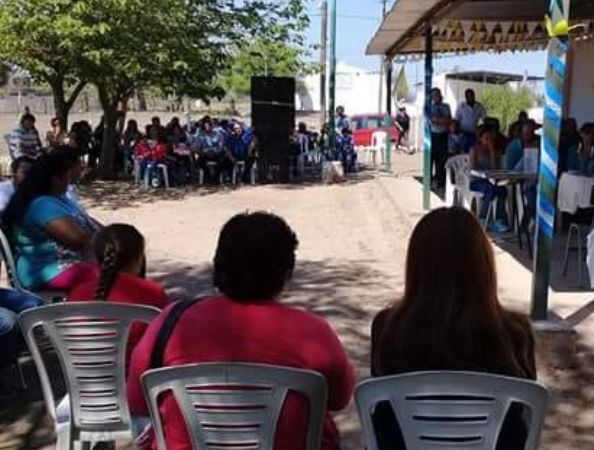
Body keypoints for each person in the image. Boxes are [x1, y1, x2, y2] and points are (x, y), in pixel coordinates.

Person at [126, 211, 355, 450]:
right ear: (286, 274)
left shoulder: (170, 323)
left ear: (218, 266)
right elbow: (339, 399)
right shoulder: (313, 333)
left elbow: (137, 400)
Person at [370, 207, 537, 450]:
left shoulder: (387, 327)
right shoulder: (516, 332)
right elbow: (525, 408)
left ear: (416, 266)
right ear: (484, 266)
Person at [1, 151, 99, 292]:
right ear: (55, 178)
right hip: (46, 270)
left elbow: (90, 223)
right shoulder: (42, 204)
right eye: (66, 175)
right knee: (111, 276)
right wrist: (104, 238)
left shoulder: (60, 198)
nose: (68, 179)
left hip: (72, 263)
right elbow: (78, 240)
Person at [68, 224, 169, 357]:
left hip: (81, 374)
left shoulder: (77, 293)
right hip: (136, 375)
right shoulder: (152, 292)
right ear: (138, 257)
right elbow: (168, 334)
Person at [470, 127, 509, 232]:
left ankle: (499, 219)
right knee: (490, 188)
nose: (488, 141)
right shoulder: (475, 150)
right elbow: (473, 169)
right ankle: (483, 218)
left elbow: (495, 169)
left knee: (502, 190)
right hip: (476, 181)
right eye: (486, 138)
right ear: (481, 139)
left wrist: (492, 152)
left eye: (490, 139)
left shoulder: (495, 152)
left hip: (491, 181)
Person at [428, 88, 452, 189]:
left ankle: (440, 182)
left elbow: (448, 120)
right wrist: (437, 120)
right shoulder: (429, 107)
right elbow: (430, 119)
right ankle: (429, 181)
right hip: (432, 135)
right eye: (434, 95)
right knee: (430, 159)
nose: (437, 97)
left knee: (441, 160)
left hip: (443, 135)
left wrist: (438, 120)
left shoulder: (446, 106)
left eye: (438, 94)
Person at [191, 118, 225, 184]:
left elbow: (221, 146)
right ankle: (209, 177)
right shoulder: (200, 136)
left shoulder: (218, 134)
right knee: (200, 161)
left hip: (216, 153)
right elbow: (195, 147)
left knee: (223, 160)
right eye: (206, 125)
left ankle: (216, 178)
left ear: (212, 126)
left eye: (210, 125)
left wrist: (214, 151)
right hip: (204, 154)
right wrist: (204, 152)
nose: (208, 127)